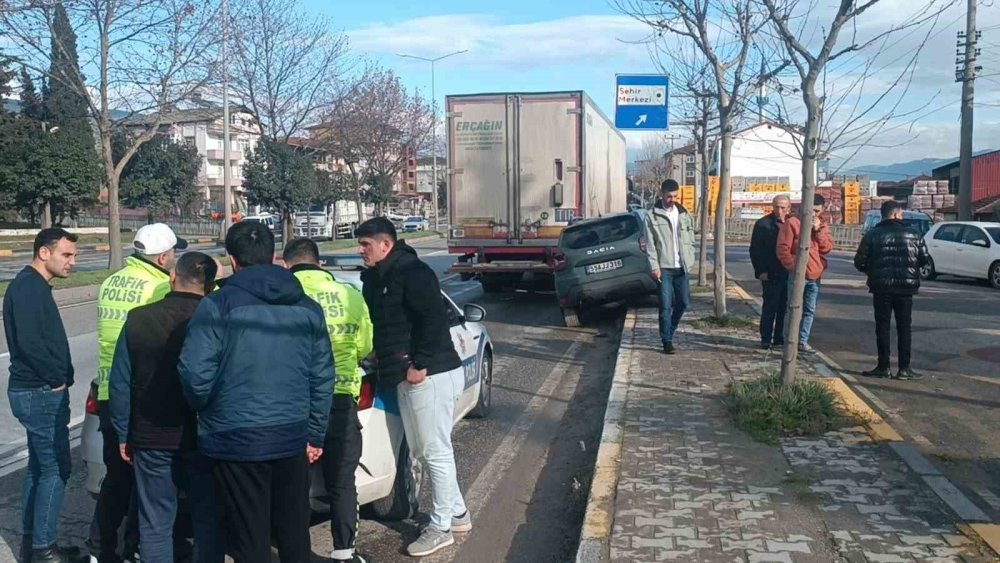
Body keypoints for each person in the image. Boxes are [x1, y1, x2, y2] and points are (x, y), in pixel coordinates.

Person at [179, 221, 334, 563]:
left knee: (251, 538)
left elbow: (194, 374)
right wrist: (315, 432)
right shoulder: (307, 307)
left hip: (236, 438)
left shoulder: (217, 306)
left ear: (232, 260)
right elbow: (322, 375)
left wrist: (209, 409)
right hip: (291, 434)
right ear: (274, 256)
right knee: (294, 534)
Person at [355, 217, 469, 557]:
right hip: (404, 375)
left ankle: (441, 527)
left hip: (429, 375)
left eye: (366, 245)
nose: (362, 250)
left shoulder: (413, 273)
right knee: (424, 450)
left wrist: (419, 364)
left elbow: (433, 320)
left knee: (434, 451)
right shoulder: (378, 278)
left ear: (385, 245)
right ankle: (457, 513)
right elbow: (387, 325)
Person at [107, 252, 225, 563]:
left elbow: (120, 382)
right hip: (206, 436)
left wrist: (122, 433)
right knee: (207, 520)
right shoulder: (219, 320)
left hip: (150, 435)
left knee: (155, 523)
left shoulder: (138, 318)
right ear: (211, 287)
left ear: (173, 278)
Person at [90, 223, 186, 563]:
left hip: (105, 389)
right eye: (174, 253)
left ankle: (100, 548)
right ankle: (134, 548)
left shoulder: (111, 281)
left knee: (116, 478)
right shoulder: (159, 285)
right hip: (137, 394)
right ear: (162, 257)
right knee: (143, 483)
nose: (175, 259)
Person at [284, 238, 373, 563]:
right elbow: (365, 346)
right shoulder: (349, 294)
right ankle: (344, 552)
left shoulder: (283, 296)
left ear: (286, 263)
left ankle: (293, 551)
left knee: (292, 481)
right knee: (342, 481)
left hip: (294, 401)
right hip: (341, 397)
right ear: (319, 263)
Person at [4, 229, 80, 563]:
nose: (72, 262)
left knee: (39, 467)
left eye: (74, 255)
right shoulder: (28, 288)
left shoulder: (32, 286)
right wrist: (56, 380)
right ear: (44, 253)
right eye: (66, 255)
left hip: (39, 390)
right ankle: (44, 550)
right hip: (38, 392)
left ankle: (34, 545)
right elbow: (32, 343)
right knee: (56, 469)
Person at [853, 200, 930, 380]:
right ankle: (904, 368)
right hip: (906, 289)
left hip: (881, 288)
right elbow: (925, 260)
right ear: (896, 214)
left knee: (883, 326)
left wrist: (873, 272)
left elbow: (859, 262)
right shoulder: (914, 234)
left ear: (883, 215)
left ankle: (883, 366)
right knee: (904, 328)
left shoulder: (872, 235)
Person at [643, 179, 697, 355]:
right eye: (668, 196)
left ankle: (669, 331)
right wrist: (654, 266)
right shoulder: (652, 216)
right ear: (662, 194)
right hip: (664, 267)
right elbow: (650, 245)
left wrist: (690, 259)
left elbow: (690, 238)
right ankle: (666, 341)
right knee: (665, 305)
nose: (672, 199)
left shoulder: (683, 213)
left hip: (682, 266)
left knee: (683, 302)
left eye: (675, 196)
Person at [777, 194, 834, 352]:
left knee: (810, 309)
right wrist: (794, 267)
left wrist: (818, 230)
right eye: (812, 210)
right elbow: (783, 249)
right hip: (798, 274)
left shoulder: (822, 225)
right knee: (793, 308)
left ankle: (802, 340)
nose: (814, 214)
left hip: (815, 274)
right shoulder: (793, 223)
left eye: (818, 211)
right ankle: (789, 340)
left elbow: (827, 248)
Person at [750, 195, 792, 350]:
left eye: (783, 207)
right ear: (772, 207)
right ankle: (766, 338)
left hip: (789, 272)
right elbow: (755, 250)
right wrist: (760, 271)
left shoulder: (792, 223)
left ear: (789, 208)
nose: (779, 210)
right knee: (770, 307)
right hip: (770, 273)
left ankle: (779, 338)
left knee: (785, 307)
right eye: (777, 207)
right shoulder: (763, 224)